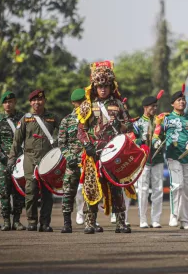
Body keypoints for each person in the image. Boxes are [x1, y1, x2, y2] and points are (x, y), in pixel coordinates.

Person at [76, 61, 133, 234]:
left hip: (113, 153)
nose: (103, 89)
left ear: (111, 86)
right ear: (94, 87)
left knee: (117, 187)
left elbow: (128, 126)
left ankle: (120, 223)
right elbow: (81, 130)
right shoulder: (87, 105)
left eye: (106, 86)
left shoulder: (119, 104)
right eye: (99, 86)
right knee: (91, 186)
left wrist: (120, 125)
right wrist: (87, 145)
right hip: (93, 153)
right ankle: (89, 222)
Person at [8, 89, 60, 232]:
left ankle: (45, 223)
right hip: (30, 158)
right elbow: (16, 142)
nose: (37, 102)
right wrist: (11, 159)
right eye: (34, 100)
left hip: (47, 159)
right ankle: (32, 221)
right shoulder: (25, 119)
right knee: (30, 190)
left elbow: (63, 133)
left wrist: (60, 150)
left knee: (47, 192)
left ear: (44, 101)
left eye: (40, 100)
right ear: (30, 103)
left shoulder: (52, 117)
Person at [59, 88, 103, 233]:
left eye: (84, 101)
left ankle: (91, 223)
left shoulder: (93, 118)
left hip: (89, 161)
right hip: (73, 162)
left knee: (91, 191)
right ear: (73, 103)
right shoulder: (67, 120)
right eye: (78, 102)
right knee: (68, 192)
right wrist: (69, 157)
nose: (82, 104)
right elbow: (62, 143)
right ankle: (67, 223)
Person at [153, 86, 188, 230]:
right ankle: (173, 215)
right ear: (173, 104)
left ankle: (184, 220)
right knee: (177, 185)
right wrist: (156, 141)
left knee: (187, 189)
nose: (182, 102)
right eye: (179, 100)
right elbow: (156, 134)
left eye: (183, 99)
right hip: (173, 156)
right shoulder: (165, 119)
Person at [0, 91, 25, 231]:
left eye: (10, 102)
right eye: (5, 102)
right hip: (3, 161)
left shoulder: (22, 118)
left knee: (18, 191)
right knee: (4, 191)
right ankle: (5, 221)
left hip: (19, 161)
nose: (8, 104)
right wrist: (1, 155)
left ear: (15, 102)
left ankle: (16, 221)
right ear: (3, 104)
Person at [134, 90, 164, 229]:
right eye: (152, 106)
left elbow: (165, 136)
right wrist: (142, 140)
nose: (154, 109)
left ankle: (156, 219)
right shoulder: (138, 123)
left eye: (156, 106)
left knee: (158, 189)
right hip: (143, 160)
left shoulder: (160, 121)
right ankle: (143, 219)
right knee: (143, 189)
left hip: (157, 158)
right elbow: (133, 140)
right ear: (145, 108)